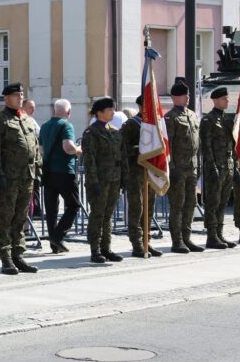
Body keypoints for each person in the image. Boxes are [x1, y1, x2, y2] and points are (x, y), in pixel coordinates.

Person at [0, 82, 41, 274]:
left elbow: (34, 146)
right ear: (6, 98)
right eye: (17, 95)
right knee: (5, 217)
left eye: (21, 95)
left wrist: (38, 170)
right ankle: (6, 257)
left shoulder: (26, 120)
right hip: (8, 179)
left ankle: (19, 255)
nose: (20, 98)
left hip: (26, 177)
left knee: (20, 217)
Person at [164, 78, 204, 253]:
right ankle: (177, 240)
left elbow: (198, 142)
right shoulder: (170, 118)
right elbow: (168, 145)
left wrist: (199, 164)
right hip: (178, 169)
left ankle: (187, 238)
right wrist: (170, 168)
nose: (187, 97)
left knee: (191, 203)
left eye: (187, 94)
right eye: (183, 95)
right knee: (177, 205)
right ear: (174, 97)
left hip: (192, 167)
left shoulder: (192, 115)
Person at [119, 95, 162, 256]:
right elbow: (121, 148)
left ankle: (146, 241)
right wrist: (141, 150)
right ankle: (137, 243)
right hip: (135, 173)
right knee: (137, 208)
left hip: (150, 172)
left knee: (149, 208)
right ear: (141, 106)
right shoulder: (131, 124)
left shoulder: (155, 124)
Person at [82, 97, 124, 263]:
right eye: (110, 109)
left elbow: (121, 157)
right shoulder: (91, 133)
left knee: (108, 215)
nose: (113, 112)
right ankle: (95, 249)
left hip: (114, 179)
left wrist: (123, 178)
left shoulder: (114, 131)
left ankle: (106, 248)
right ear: (100, 113)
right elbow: (89, 160)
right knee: (98, 215)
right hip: (99, 181)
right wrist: (93, 182)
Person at [39, 99, 83, 253]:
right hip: (65, 171)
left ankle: (54, 245)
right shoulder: (66, 125)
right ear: (68, 112)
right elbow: (68, 148)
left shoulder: (44, 126)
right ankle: (57, 236)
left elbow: (41, 149)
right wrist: (79, 149)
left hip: (48, 171)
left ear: (54, 110)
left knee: (51, 209)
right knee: (74, 205)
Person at [199, 87, 238, 249]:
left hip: (227, 166)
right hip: (214, 167)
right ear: (215, 101)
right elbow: (206, 147)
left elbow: (233, 145)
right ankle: (211, 236)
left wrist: (234, 165)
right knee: (213, 202)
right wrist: (212, 166)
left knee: (223, 202)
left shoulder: (228, 120)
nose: (227, 101)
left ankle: (219, 233)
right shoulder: (208, 120)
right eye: (224, 99)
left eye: (227, 98)